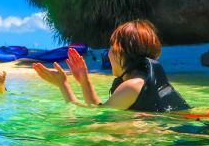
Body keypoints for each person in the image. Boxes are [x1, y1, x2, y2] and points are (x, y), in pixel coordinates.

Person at [32, 19, 190, 112]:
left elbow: (95, 119)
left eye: (111, 48)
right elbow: (99, 111)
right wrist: (77, 82)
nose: (108, 54)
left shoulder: (132, 86)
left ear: (122, 52)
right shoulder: (140, 83)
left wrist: (65, 85)